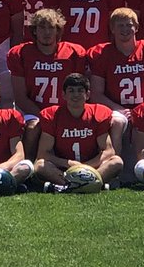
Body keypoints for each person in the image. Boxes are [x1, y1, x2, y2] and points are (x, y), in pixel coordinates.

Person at [86, 7, 144, 179]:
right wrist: (120, 109)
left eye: (129, 25)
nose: (125, 29)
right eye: (120, 25)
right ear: (112, 29)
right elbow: (96, 93)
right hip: (115, 108)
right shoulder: (102, 54)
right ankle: (113, 170)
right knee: (118, 120)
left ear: (136, 27)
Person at [7, 8, 88, 162]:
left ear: (58, 30)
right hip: (34, 110)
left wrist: (64, 115)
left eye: (51, 27)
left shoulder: (73, 52)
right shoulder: (21, 53)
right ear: (34, 30)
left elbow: (78, 91)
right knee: (33, 127)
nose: (47, 32)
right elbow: (20, 98)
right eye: (42, 27)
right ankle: (27, 166)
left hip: (66, 110)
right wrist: (46, 117)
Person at [33, 73, 122, 191]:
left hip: (92, 167)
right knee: (40, 165)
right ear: (63, 95)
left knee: (116, 161)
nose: (76, 95)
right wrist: (68, 163)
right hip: (64, 169)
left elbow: (108, 151)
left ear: (88, 94)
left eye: (80, 91)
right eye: (71, 91)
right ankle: (91, 185)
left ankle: (69, 187)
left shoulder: (98, 113)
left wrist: (84, 167)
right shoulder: (53, 115)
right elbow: (43, 153)